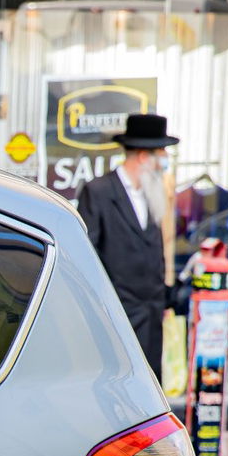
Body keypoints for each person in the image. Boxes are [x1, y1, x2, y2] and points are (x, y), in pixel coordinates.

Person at [76, 113, 182, 378]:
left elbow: (155, 251)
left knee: (150, 387)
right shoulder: (99, 191)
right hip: (117, 317)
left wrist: (163, 297)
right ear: (144, 157)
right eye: (161, 153)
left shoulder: (153, 192)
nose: (165, 161)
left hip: (152, 315)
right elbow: (86, 256)